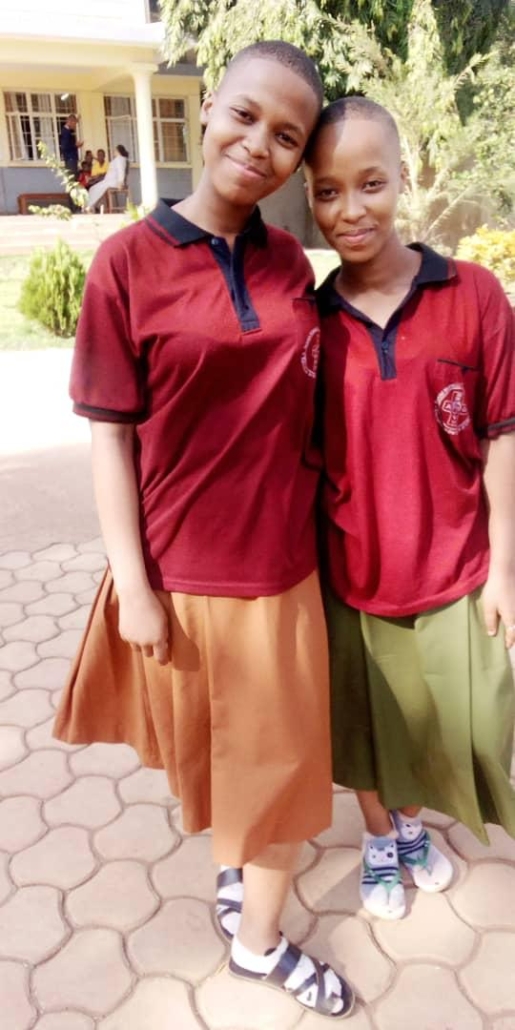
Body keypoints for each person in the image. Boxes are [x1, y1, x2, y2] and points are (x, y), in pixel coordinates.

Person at [54, 41, 354, 1018]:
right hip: (181, 579)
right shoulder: (124, 264)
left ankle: (257, 948)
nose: (256, 144)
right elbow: (111, 441)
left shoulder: (285, 264)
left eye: (286, 135)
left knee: (283, 779)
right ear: (207, 109)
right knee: (224, 766)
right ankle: (241, 889)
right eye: (242, 116)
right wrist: (131, 586)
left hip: (283, 576)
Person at [304, 96, 515, 921]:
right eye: (326, 191)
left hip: (456, 570)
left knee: (451, 724)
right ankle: (381, 840)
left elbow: (502, 434)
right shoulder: (311, 321)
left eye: (370, 183)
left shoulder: (473, 295)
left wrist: (503, 566)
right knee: (362, 731)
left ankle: (416, 823)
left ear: (403, 177)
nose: (350, 210)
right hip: (351, 575)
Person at [86, 144, 129, 211]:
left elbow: (121, 171)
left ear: (118, 151)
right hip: (110, 181)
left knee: (94, 189)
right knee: (93, 188)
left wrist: (120, 182)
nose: (114, 152)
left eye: (115, 150)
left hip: (113, 182)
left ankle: (89, 206)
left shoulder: (119, 159)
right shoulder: (119, 159)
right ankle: (91, 206)